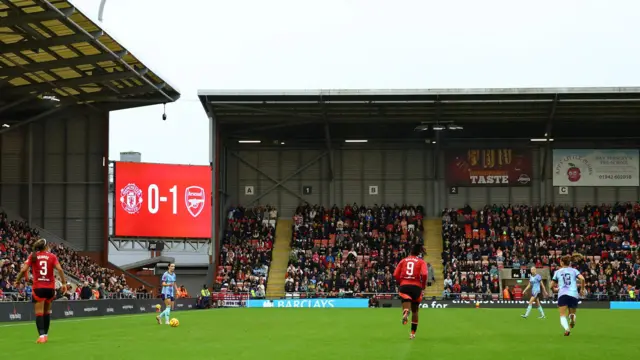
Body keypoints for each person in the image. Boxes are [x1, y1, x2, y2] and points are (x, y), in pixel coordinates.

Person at [14, 239, 67, 344]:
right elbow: (60, 269)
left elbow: (24, 270)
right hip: (50, 288)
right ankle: (46, 335)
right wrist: (64, 283)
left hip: (38, 288)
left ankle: (41, 336)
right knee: (47, 313)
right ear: (46, 246)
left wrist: (17, 280)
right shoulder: (52, 256)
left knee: (39, 313)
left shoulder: (33, 256)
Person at [393, 244, 428, 340]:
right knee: (415, 310)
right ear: (419, 252)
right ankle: (412, 333)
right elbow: (424, 274)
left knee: (406, 300)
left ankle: (406, 312)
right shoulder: (421, 262)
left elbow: (395, 274)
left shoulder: (403, 260)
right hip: (416, 286)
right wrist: (423, 285)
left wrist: (401, 282)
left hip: (404, 286)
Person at [549, 254, 585, 336]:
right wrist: (582, 289)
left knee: (562, 314)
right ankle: (572, 318)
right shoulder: (574, 271)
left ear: (561, 262)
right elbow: (582, 279)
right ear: (569, 263)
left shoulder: (557, 272)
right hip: (573, 294)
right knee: (572, 313)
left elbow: (551, 285)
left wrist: (554, 289)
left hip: (563, 294)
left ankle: (567, 329)